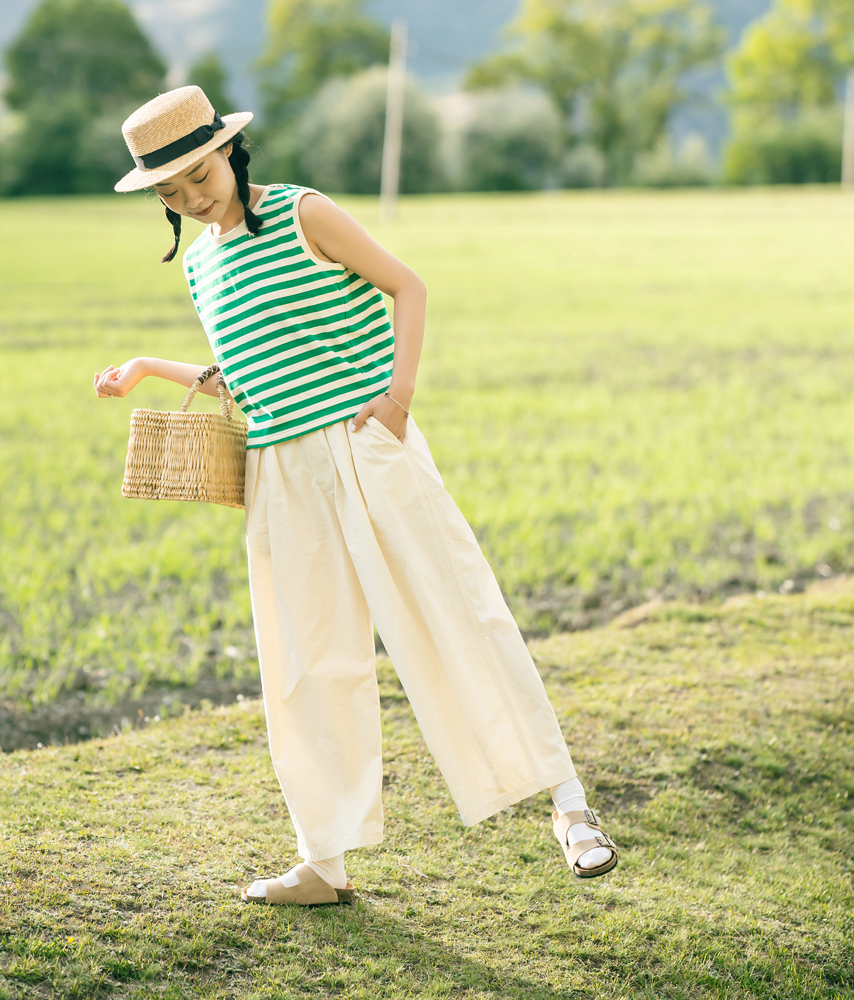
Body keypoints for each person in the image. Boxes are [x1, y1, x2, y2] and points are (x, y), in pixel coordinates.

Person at [94, 86, 619, 906]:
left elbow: (408, 286)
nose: (192, 197)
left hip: (369, 447)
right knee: (303, 662)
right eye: (170, 191)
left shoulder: (306, 213)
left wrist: (398, 403)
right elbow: (253, 369)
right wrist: (148, 370)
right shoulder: (198, 263)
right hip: (280, 472)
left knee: (458, 616)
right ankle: (323, 861)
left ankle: (569, 805)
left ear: (227, 150)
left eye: (199, 174)